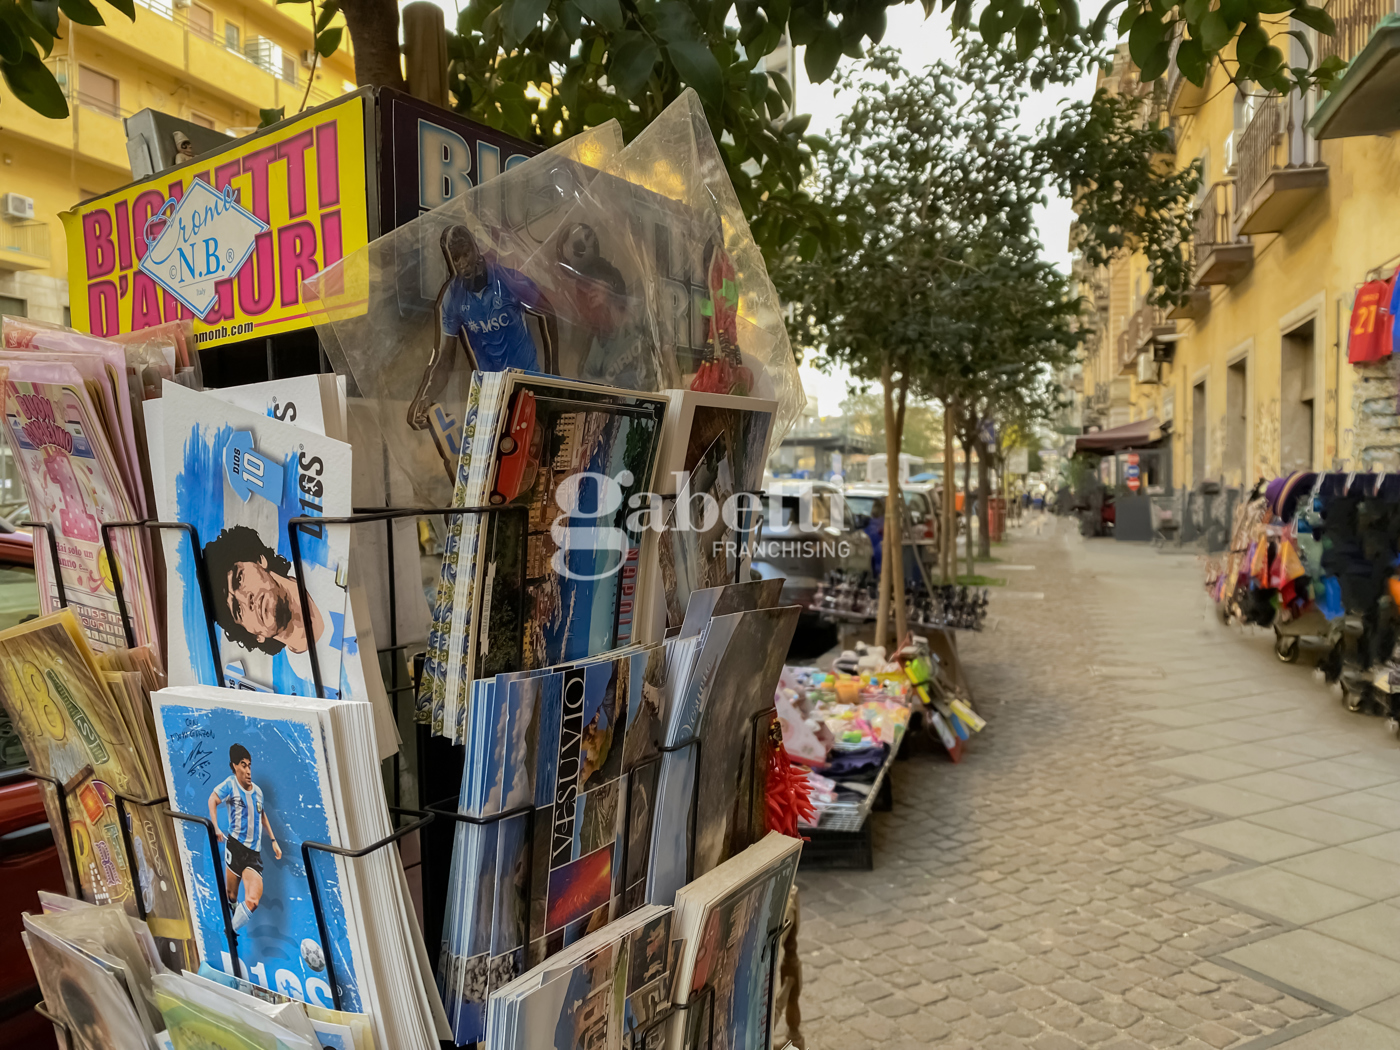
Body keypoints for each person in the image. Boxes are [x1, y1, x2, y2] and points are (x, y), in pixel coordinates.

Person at [407, 224, 557, 434]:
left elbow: (547, 312)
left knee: (534, 440)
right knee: (491, 449)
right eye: (456, 258)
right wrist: (426, 396)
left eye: (465, 253)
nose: (463, 263)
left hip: (527, 380)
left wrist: (553, 372)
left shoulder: (508, 280)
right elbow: (444, 360)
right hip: (490, 390)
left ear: (475, 249)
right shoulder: (452, 298)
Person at [203, 524, 356, 696]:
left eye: (239, 579)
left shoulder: (320, 560)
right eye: (237, 609)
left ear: (260, 560)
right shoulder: (301, 679)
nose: (247, 600)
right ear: (256, 636)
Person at [209, 743, 281, 931]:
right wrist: (216, 827)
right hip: (235, 847)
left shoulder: (258, 792)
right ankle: (233, 916)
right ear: (234, 766)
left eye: (249, 765)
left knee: (252, 901)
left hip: (252, 854)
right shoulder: (230, 785)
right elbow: (213, 799)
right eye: (243, 765)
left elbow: (261, 814)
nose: (248, 771)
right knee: (231, 896)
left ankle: (230, 931)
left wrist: (273, 841)